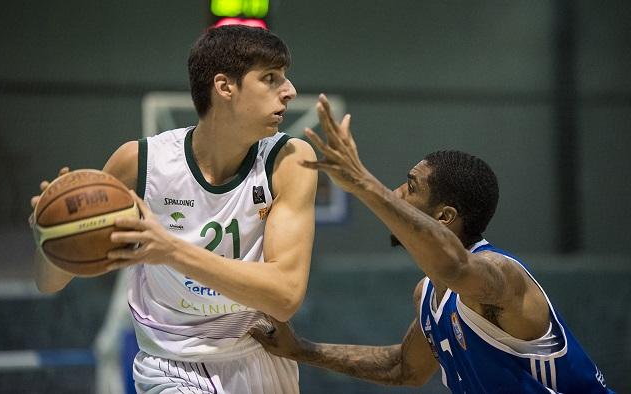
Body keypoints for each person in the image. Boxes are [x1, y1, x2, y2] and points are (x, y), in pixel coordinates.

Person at [249, 95, 614, 393]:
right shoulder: (428, 294)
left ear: (444, 217)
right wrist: (300, 350)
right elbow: (404, 368)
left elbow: (454, 267)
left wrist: (363, 183)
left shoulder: (502, 277)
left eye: (410, 186)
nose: (396, 192)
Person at [31, 25, 317, 393]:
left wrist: (171, 250)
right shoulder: (141, 162)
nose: (290, 91)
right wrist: (50, 235)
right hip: (169, 364)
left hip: (259, 355)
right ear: (224, 87)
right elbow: (49, 282)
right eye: (270, 78)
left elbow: (285, 297)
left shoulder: (289, 160)